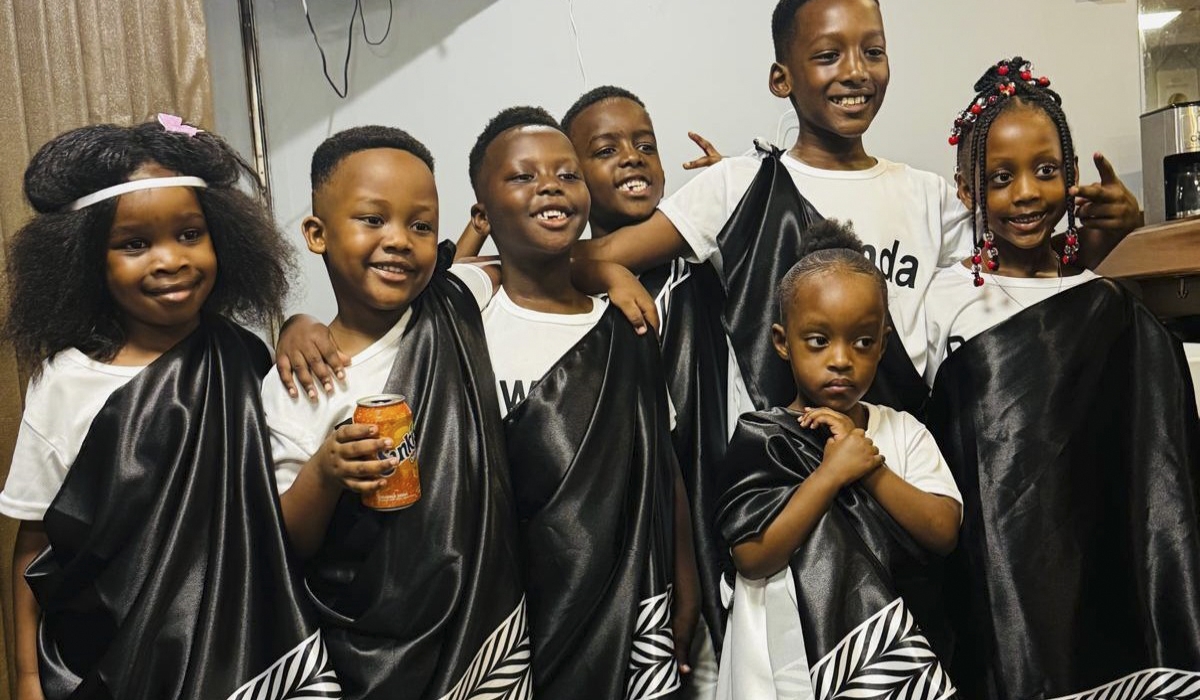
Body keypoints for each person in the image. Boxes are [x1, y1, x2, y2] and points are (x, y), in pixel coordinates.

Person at [571, 0, 1142, 422]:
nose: (855, 71)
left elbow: (1021, 300)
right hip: (781, 465)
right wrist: (606, 271)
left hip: (905, 456)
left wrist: (1098, 243)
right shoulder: (736, 187)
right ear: (782, 78)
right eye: (827, 55)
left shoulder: (930, 196)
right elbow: (587, 257)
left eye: (873, 51)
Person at [0, 116, 338, 700]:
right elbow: (36, 545)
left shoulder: (242, 353)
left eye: (189, 234)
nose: (169, 261)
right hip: (109, 663)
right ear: (86, 260)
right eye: (134, 244)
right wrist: (28, 678)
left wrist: (299, 323)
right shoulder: (65, 382)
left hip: (240, 653)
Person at [924, 58, 1200, 698]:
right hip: (995, 577)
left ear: (1071, 177)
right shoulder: (942, 301)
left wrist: (1121, 242)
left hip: (1095, 569)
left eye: (1045, 171)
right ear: (966, 191)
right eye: (999, 177)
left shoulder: (1105, 298)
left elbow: (1145, 450)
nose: (1025, 193)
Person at [260, 125, 532, 699]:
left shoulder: (455, 304)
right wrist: (326, 472)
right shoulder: (297, 381)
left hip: (480, 618)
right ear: (317, 233)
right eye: (372, 219)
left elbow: (534, 267)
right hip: (366, 645)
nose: (399, 240)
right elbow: (286, 541)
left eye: (421, 225)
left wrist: (605, 269)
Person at [463, 105, 697, 698]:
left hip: (620, 610)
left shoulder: (627, 326)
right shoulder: (464, 324)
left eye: (567, 175)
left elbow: (660, 478)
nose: (549, 186)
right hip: (503, 608)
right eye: (523, 177)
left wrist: (684, 597)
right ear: (483, 213)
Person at [715, 220, 961, 698]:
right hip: (781, 665)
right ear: (783, 342)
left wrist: (870, 468)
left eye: (863, 342)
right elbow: (752, 557)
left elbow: (943, 532)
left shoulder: (903, 431)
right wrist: (831, 473)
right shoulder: (761, 437)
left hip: (892, 657)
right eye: (818, 341)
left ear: (883, 344)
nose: (842, 359)